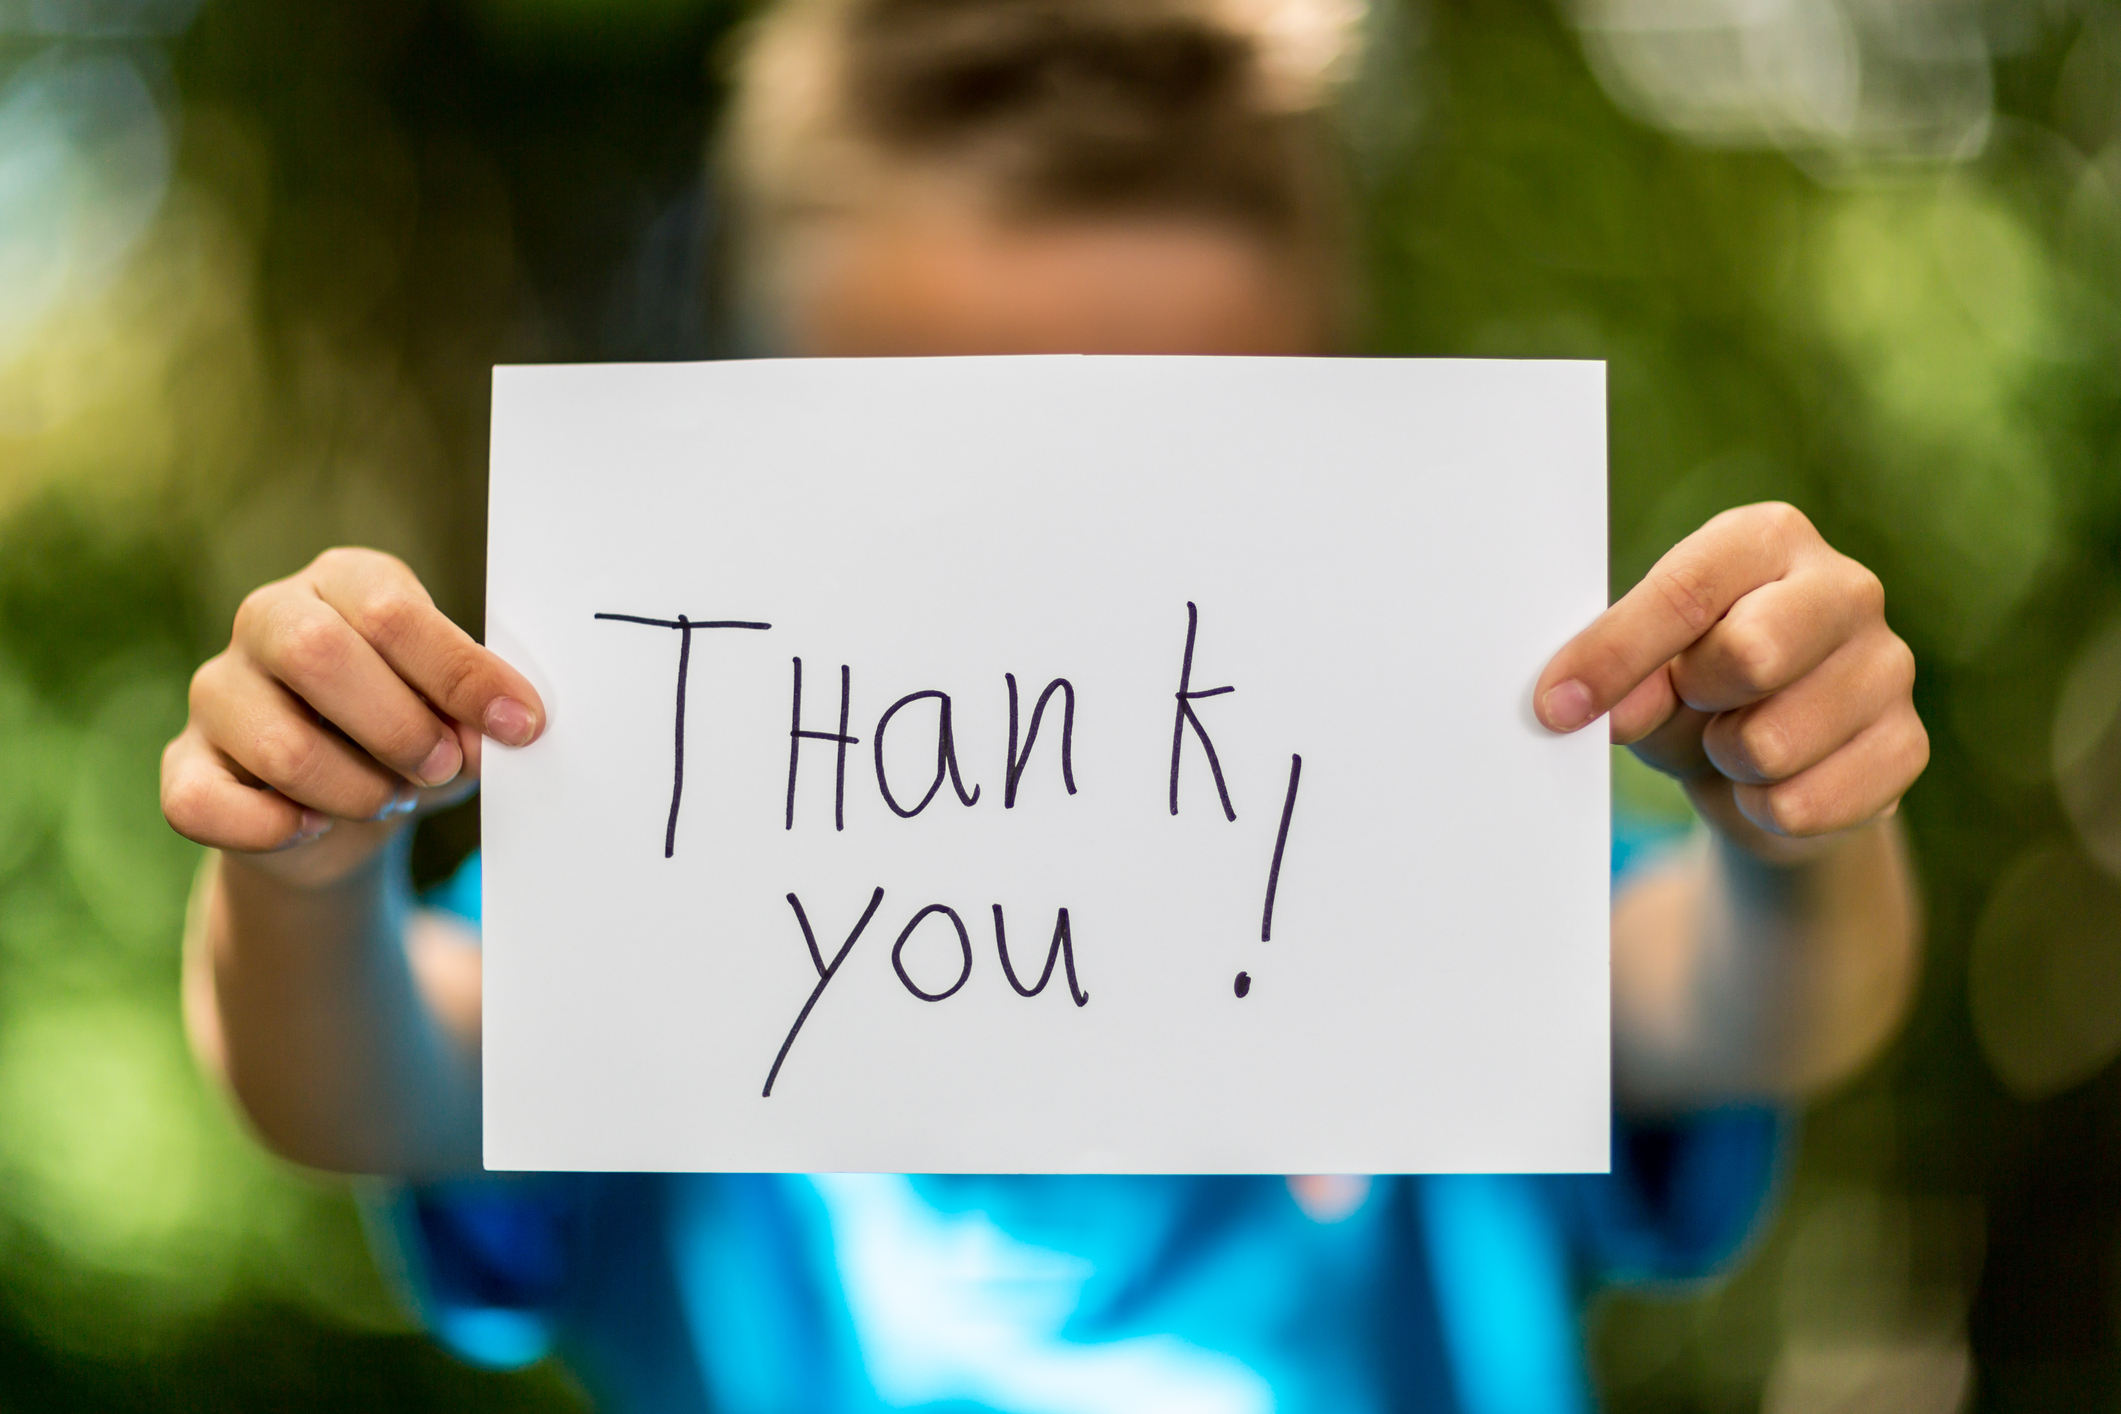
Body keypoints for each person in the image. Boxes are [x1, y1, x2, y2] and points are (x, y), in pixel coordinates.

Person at [160, 0, 1930, 1409]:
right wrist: (303, 871)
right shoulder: (682, 898)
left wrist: (1792, 825)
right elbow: (365, 1072)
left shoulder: (1419, 873)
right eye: (942, 450)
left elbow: (1753, 992)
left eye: (1163, 450)